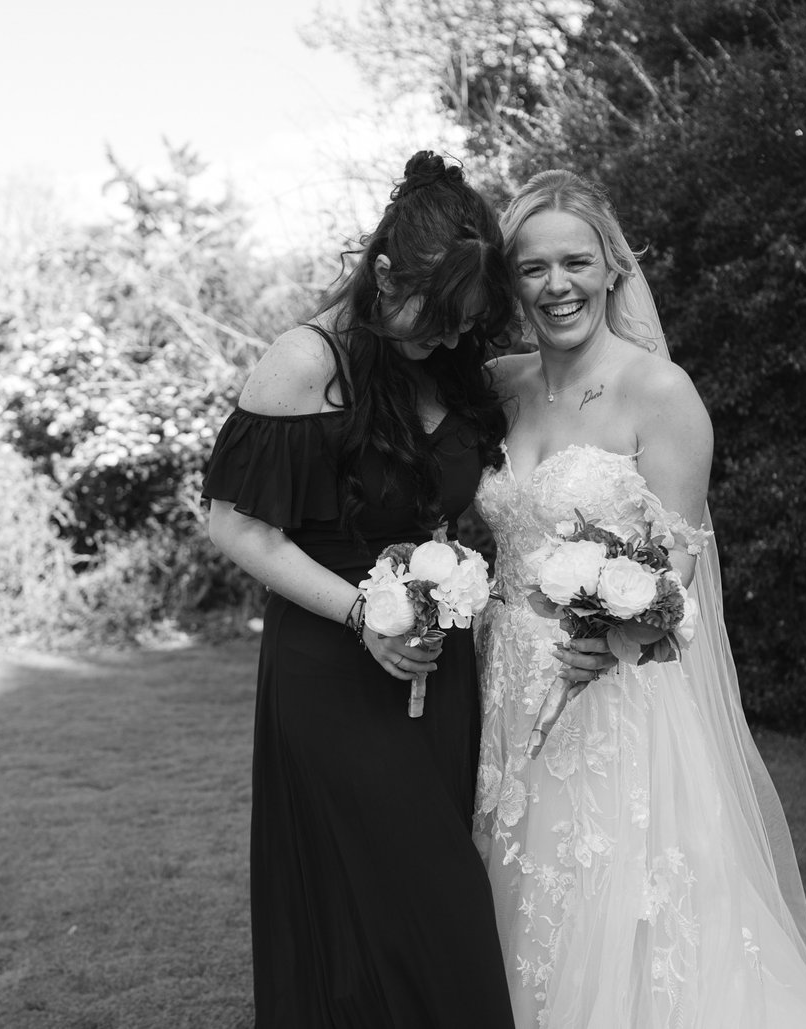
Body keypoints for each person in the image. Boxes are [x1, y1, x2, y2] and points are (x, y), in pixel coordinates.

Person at [472, 169, 806, 1028]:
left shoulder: (662, 394)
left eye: (576, 262)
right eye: (533, 268)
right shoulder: (502, 384)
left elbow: (678, 567)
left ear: (612, 267)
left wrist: (613, 634)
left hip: (614, 699)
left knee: (623, 909)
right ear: (512, 281)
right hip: (505, 691)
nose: (556, 285)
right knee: (519, 895)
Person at [202, 151, 517, 1028]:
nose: (451, 340)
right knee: (425, 911)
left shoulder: (447, 364)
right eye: (439, 319)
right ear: (383, 273)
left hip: (437, 671)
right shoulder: (306, 361)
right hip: (334, 669)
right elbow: (236, 524)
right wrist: (360, 612)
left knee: (408, 905)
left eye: (465, 325)